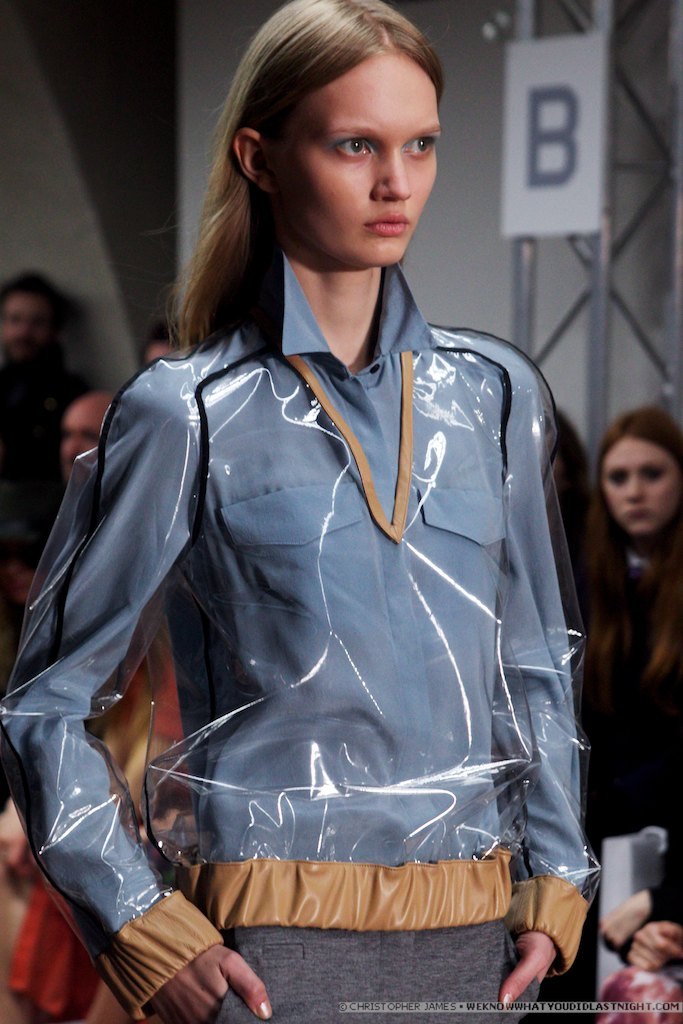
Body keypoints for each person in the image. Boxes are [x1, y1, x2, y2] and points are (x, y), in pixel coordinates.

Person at [0, 3, 597, 1023]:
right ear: (260, 158)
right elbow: (47, 701)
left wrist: (558, 878)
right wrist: (143, 926)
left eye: (419, 145)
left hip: (480, 940)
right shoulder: (186, 412)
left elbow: (534, 661)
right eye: (354, 144)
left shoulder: (494, 395)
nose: (395, 182)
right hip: (269, 948)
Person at [581, 406, 683, 998]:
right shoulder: (589, 577)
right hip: (602, 833)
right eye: (618, 478)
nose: (635, 492)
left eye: (653, 473)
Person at [0, 273, 88, 482]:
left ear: (55, 330)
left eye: (37, 322)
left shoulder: (73, 395)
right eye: (15, 320)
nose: (23, 333)